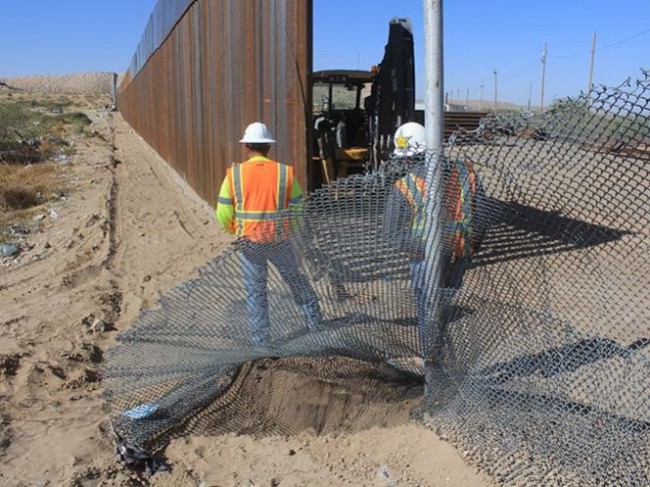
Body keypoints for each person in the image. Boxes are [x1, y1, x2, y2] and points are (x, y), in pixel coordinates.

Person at [384, 122, 484, 371]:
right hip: (459, 256)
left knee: (428, 311)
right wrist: (469, 246)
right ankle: (440, 361)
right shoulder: (467, 174)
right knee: (442, 309)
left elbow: (392, 235)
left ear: (407, 159)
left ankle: (434, 369)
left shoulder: (404, 187)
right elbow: (483, 217)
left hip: (425, 261)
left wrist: (426, 248)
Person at [216, 122, 323, 346]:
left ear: (246, 147)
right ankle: (315, 322)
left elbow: (223, 213)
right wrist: (287, 231)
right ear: (269, 148)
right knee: (296, 280)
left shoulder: (234, 175)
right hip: (279, 242)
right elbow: (298, 209)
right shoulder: (284, 173)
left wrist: (237, 230)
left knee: (256, 293)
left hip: (250, 244)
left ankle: (262, 342)